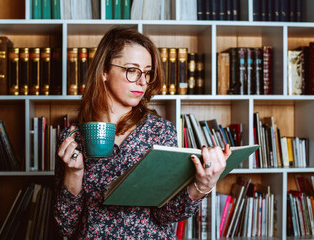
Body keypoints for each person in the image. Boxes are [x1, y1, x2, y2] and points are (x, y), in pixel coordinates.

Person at [54, 26, 231, 239]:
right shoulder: (73, 138)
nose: (143, 82)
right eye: (132, 70)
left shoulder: (160, 131)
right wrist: (74, 174)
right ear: (104, 71)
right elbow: (65, 226)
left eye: (147, 72)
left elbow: (166, 214)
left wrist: (202, 186)